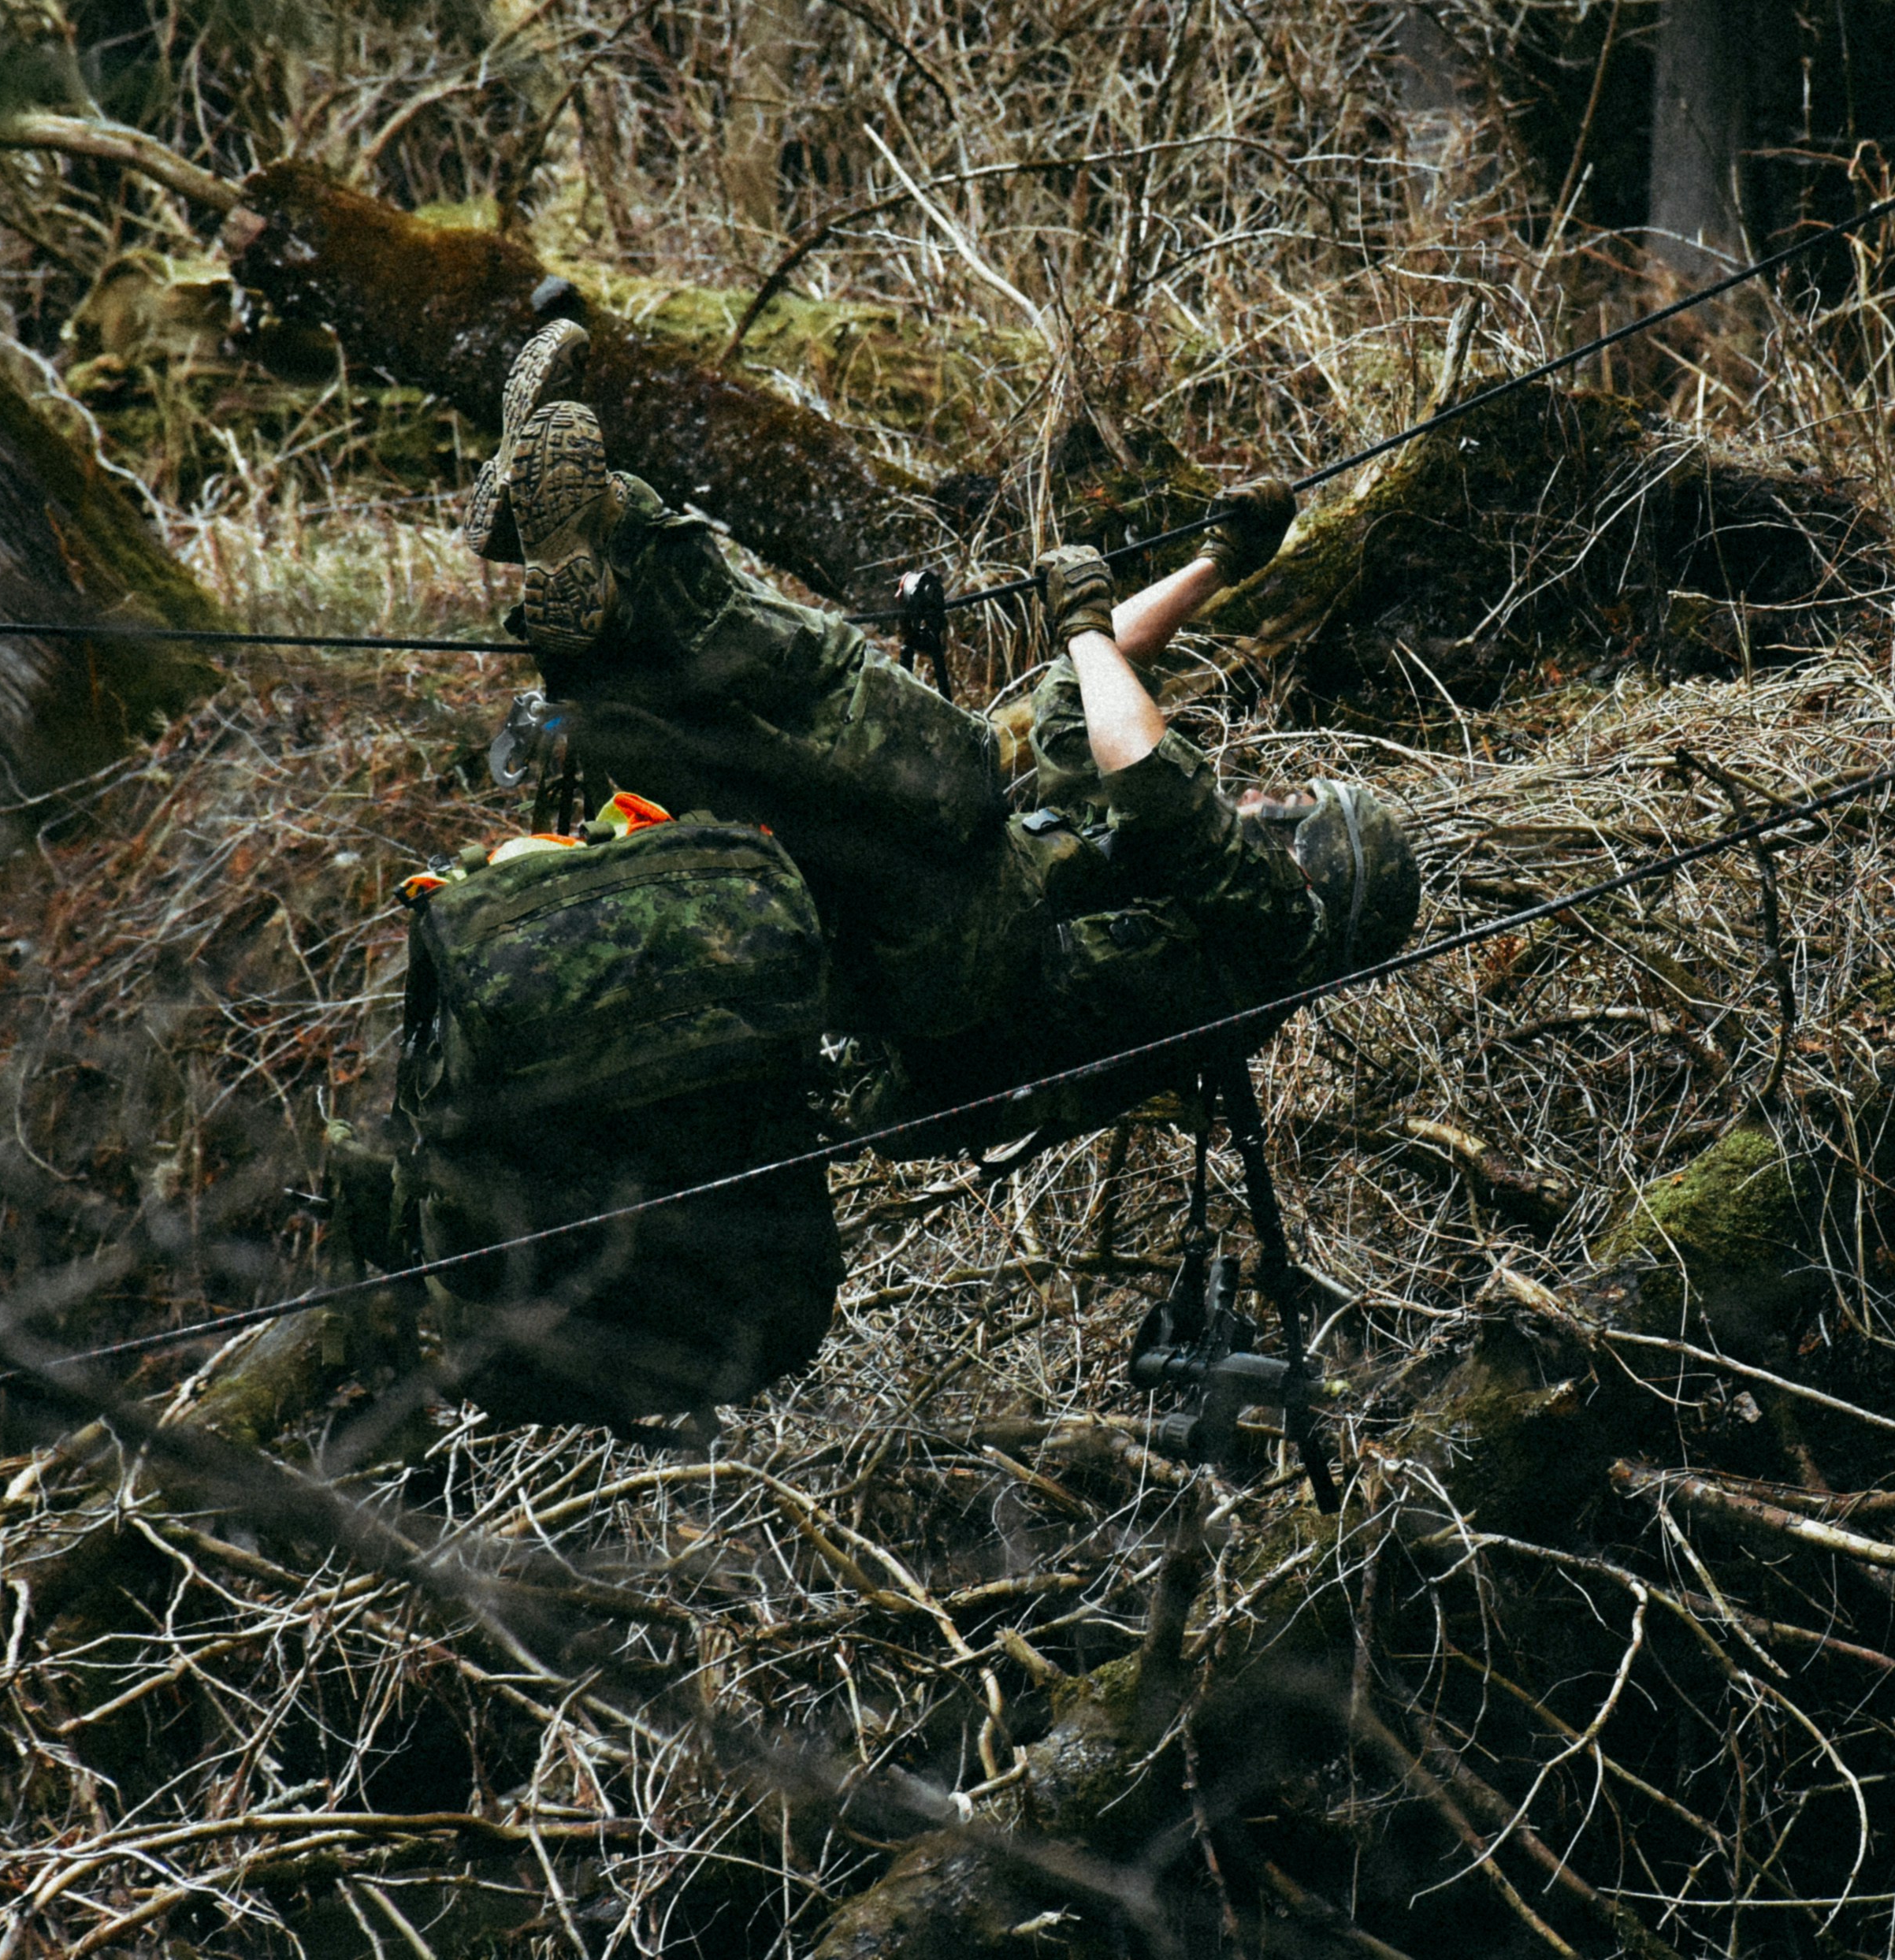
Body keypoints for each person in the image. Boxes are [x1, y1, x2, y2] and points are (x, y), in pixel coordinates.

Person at [386, 322, 1421, 1431]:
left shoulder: (1275, 936)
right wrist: (1221, 565)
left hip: (977, 976)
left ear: (1331, 870)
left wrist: (1078, 621)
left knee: (919, 745)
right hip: (933, 979)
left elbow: (1144, 767)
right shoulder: (1222, 908)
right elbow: (1089, 697)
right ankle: (596, 591)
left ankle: (619, 525)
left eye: (1305, 811)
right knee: (757, 780)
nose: (1278, 797)